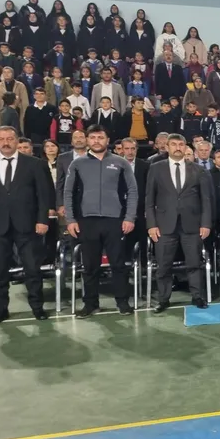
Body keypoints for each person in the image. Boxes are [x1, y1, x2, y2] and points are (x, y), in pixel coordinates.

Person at [0, 126, 54, 324]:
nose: (6, 143)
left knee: (32, 269)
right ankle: (0, 310)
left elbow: (44, 196)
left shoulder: (34, 164)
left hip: (28, 225)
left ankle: (37, 308)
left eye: (10, 138)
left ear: (17, 140)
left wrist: (42, 220)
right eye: (1, 139)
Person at [64, 125, 138, 317]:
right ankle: (90, 303)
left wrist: (129, 217)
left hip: (115, 221)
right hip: (87, 221)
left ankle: (122, 302)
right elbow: (68, 192)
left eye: (100, 137)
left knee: (118, 264)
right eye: (93, 137)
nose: (96, 141)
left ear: (107, 140)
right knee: (90, 266)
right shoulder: (77, 164)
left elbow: (132, 191)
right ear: (87, 140)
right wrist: (70, 219)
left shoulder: (121, 163)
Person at [145, 133, 213, 312]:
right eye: (173, 144)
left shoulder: (198, 169)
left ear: (185, 147)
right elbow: (149, 199)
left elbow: (206, 200)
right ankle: (163, 299)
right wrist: (151, 225)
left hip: (192, 224)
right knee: (164, 265)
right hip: (164, 225)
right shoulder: (156, 168)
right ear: (167, 147)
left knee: (194, 263)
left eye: (181, 145)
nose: (177, 148)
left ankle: (197, 296)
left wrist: (206, 224)